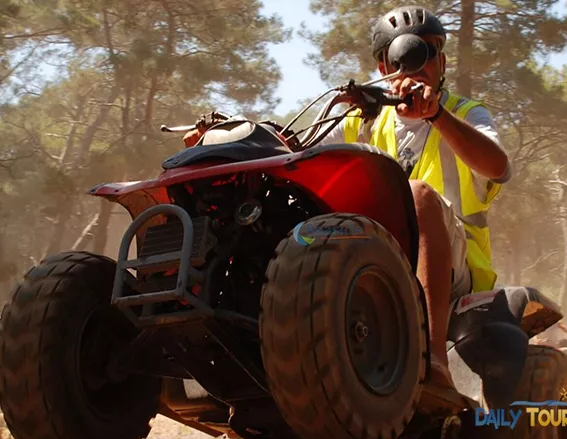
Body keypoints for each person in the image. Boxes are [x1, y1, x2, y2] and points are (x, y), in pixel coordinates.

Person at [183, 6, 510, 415]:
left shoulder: (465, 113)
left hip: (455, 270)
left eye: (429, 53)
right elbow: (291, 155)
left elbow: (498, 166)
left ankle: (433, 363)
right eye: (405, 56)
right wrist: (217, 142)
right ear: (383, 66)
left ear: (442, 62)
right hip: (375, 261)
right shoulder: (363, 117)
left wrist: (437, 116)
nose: (418, 66)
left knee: (419, 194)